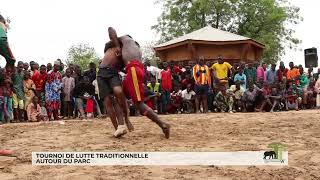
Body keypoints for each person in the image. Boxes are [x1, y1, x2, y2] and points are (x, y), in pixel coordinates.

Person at [115, 28, 170, 138]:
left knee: (138, 104)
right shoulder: (134, 49)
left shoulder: (126, 39)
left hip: (134, 71)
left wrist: (115, 45)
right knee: (118, 97)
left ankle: (162, 124)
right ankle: (123, 124)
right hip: (132, 72)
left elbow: (111, 32)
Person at [97, 28, 133, 137]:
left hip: (113, 73)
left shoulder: (127, 54)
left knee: (118, 93)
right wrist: (117, 45)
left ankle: (124, 121)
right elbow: (110, 29)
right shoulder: (113, 44)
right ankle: (118, 128)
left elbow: (127, 67)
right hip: (101, 73)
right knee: (107, 101)